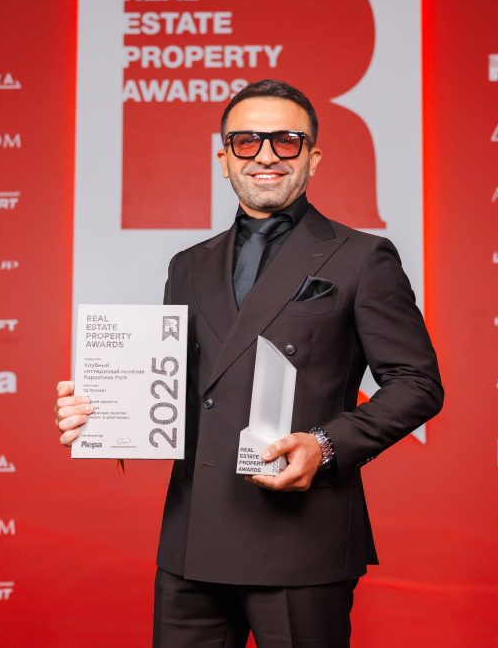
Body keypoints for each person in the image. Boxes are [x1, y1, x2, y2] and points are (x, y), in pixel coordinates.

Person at [55, 79, 443, 647]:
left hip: (301, 542)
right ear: (224, 159)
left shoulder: (362, 257)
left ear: (312, 158)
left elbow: (417, 384)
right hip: (193, 539)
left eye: (286, 141)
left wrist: (325, 445)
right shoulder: (187, 265)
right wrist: (108, 416)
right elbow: (184, 389)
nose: (265, 155)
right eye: (246, 141)